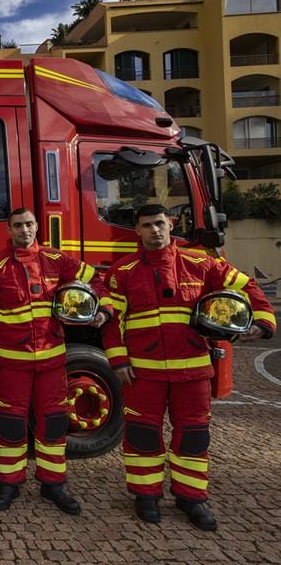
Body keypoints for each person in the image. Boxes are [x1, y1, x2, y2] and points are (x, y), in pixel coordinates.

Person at [103, 204, 276, 531]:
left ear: (170, 224)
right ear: (137, 231)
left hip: (193, 370)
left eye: (159, 224)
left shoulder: (203, 263)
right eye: (146, 226)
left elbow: (246, 287)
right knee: (142, 435)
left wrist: (264, 322)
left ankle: (191, 498)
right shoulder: (122, 271)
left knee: (194, 437)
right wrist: (118, 360)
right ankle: (146, 496)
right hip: (143, 372)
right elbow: (114, 323)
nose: (154, 231)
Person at [0, 208, 110, 515]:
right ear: (9, 230)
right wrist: (5, 329)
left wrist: (103, 310)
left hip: (51, 360)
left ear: (37, 227)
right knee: (10, 423)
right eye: (18, 225)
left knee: (55, 421)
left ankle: (53, 483)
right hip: (11, 362)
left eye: (29, 224)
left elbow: (98, 280)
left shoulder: (57, 260)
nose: (25, 230)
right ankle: (9, 483)